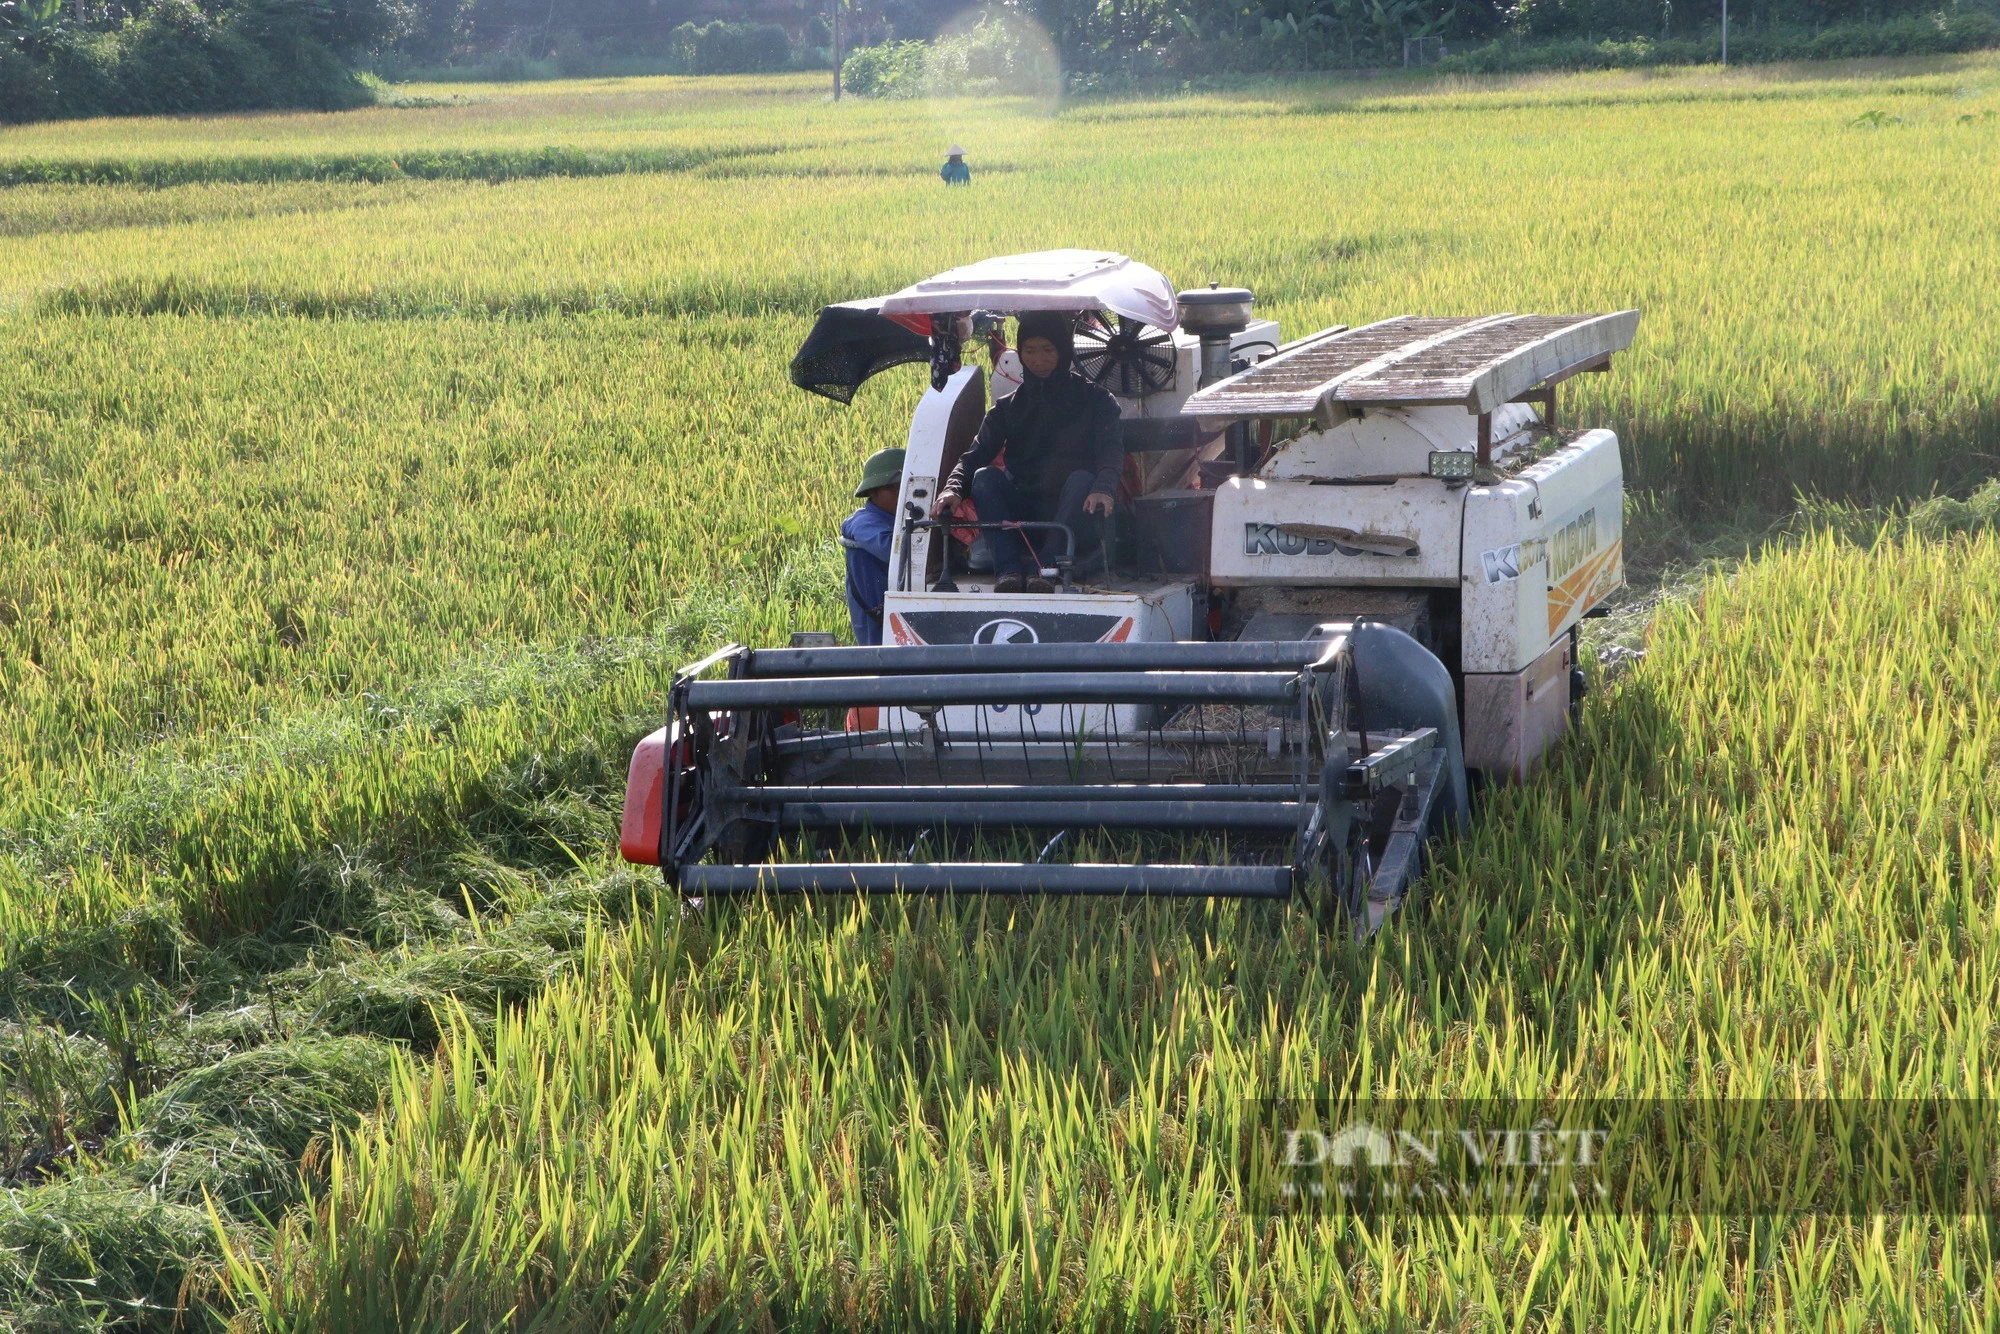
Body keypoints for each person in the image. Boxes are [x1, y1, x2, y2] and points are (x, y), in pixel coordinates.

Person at [932, 312, 1119, 594]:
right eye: (1029, 351)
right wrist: (953, 489)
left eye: (1047, 350)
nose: (1038, 360)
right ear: (1019, 353)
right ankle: (1007, 570)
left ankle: (1046, 568)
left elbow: (1111, 452)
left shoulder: (1097, 400)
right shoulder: (1007, 408)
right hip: (1026, 513)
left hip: (1078, 513)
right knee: (984, 477)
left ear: (1063, 351)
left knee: (1081, 479)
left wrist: (1104, 487)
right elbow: (975, 455)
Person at [840, 447, 903, 645]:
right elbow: (892, 551)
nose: (900, 493)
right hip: (878, 626)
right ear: (873, 492)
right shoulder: (862, 522)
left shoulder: (899, 519)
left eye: (904, 486)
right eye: (892, 487)